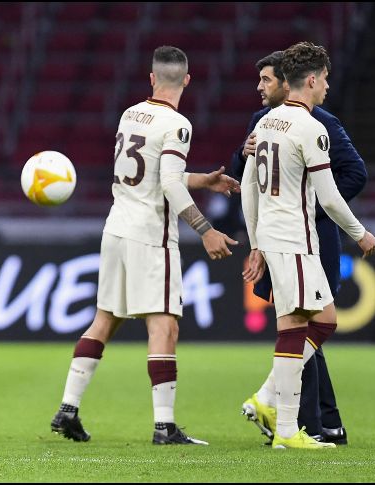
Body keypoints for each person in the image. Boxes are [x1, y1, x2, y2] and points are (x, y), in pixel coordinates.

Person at [49, 46, 240, 447]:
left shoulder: (130, 113)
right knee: (165, 325)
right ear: (187, 80)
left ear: (152, 78)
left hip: (116, 227)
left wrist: (202, 179)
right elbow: (167, 183)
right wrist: (205, 229)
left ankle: (68, 407)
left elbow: (156, 172)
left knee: (104, 320)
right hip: (151, 236)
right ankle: (165, 426)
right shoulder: (178, 125)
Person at [240, 42, 375, 449]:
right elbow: (332, 197)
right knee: (305, 326)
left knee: (312, 323)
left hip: (276, 238)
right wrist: (359, 233)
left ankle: (273, 408)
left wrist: (255, 242)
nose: (329, 88)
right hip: (295, 239)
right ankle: (284, 428)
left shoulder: (265, 123)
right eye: (326, 80)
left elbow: (249, 186)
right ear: (313, 80)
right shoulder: (311, 128)